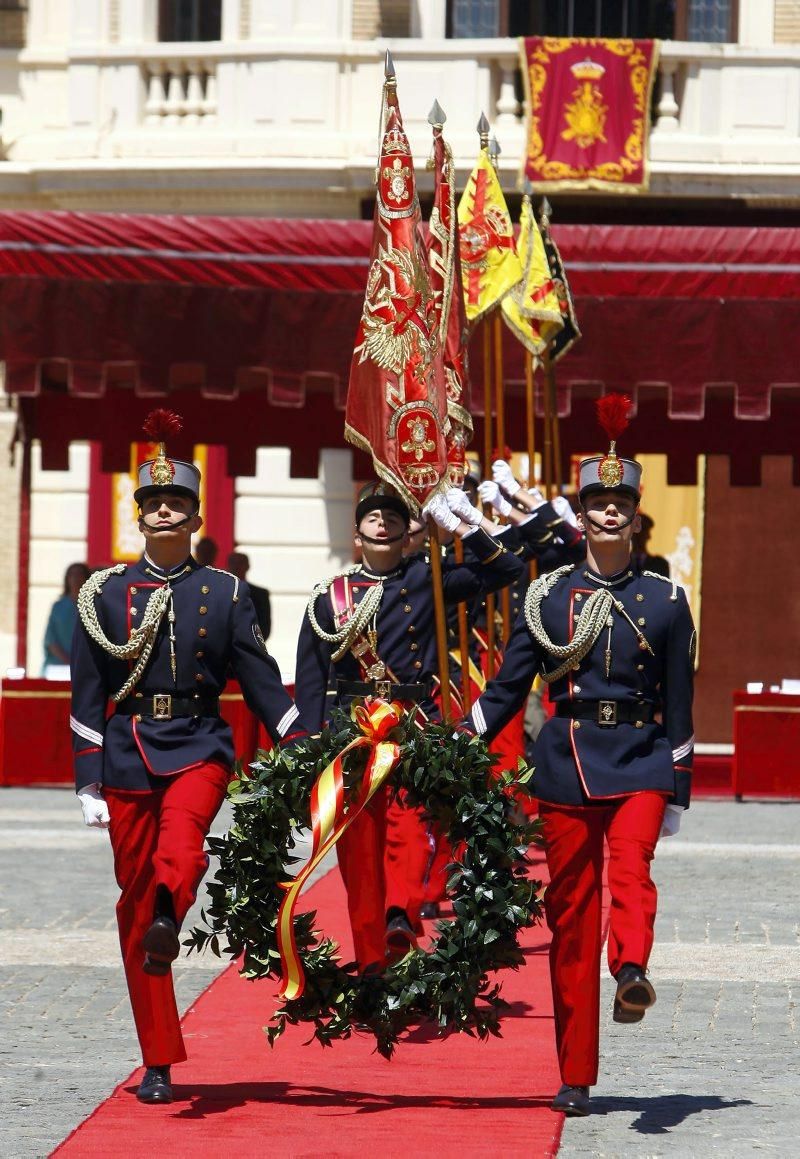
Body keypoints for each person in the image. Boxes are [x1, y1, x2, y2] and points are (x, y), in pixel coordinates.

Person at [70, 411, 307, 1106]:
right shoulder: (104, 594)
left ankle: (175, 905)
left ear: (196, 517)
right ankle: (158, 1057)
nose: (164, 509)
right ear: (138, 516)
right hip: (126, 752)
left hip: (201, 744)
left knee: (182, 847)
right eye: (153, 502)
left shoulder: (224, 593)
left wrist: (305, 746)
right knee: (134, 909)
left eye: (175, 502)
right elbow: (87, 694)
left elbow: (261, 680)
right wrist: (88, 778)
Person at [460, 424, 695, 1118]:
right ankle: (575, 1072)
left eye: (620, 499)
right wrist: (457, 738)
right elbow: (508, 689)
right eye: (597, 499)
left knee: (631, 869)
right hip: (564, 762)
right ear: (583, 511)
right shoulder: (547, 596)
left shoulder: (668, 600)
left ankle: (630, 969)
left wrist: (678, 787)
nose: (609, 509)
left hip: (644, 757)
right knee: (568, 915)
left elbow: (681, 702)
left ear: (636, 509)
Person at [294, 483, 524, 971]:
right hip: (352, 731)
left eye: (394, 519)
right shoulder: (328, 598)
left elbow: (507, 569)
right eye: (373, 518)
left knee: (409, 826)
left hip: (414, 724)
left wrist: (463, 522)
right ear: (357, 535)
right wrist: (308, 748)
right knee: (359, 844)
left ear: (407, 535)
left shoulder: (429, 579)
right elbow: (312, 679)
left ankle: (400, 914)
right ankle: (370, 947)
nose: (383, 523)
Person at [42, 562, 91, 677]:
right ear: (67, 579)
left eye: (80, 574)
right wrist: (68, 661)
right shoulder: (58, 606)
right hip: (58, 668)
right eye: (72, 575)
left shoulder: (94, 606)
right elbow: (50, 639)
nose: (76, 578)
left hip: (85, 667)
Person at [227, 550, 271, 640]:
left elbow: (264, 628)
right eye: (233, 563)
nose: (236, 567)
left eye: (240, 563)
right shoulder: (218, 592)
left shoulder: (260, 594)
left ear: (247, 566)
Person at [632, 512, 670, 578]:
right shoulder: (619, 565)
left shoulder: (660, 564)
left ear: (648, 536)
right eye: (635, 532)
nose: (638, 535)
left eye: (643, 531)